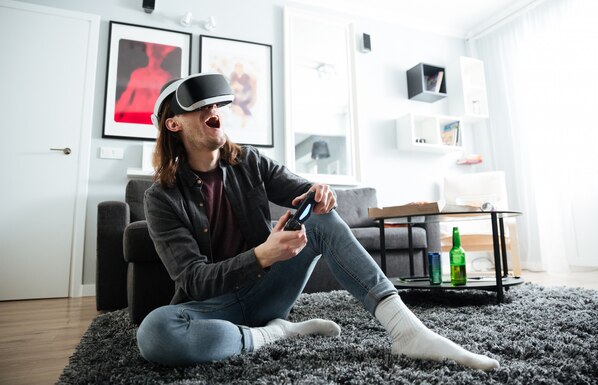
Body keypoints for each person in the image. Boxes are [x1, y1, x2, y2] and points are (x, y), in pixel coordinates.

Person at [137, 73, 500, 371]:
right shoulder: (161, 198)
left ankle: (407, 331)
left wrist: (320, 192)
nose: (213, 109)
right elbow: (193, 281)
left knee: (322, 220)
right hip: (214, 308)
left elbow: (303, 190)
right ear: (173, 124)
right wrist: (262, 254)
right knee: (154, 333)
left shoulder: (249, 162)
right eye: (200, 106)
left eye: (215, 103)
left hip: (266, 291)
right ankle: (272, 334)